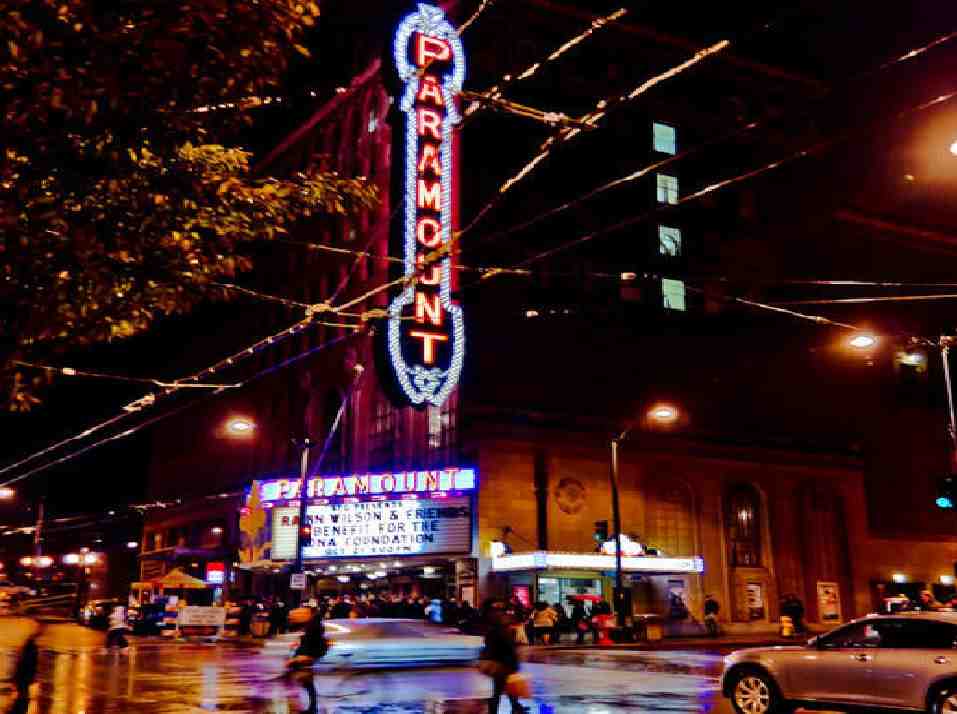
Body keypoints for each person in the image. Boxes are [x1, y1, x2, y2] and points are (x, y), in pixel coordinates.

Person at [479, 604, 526, 714]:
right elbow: (509, 648)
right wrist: (514, 662)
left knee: (504, 688)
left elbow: (489, 646)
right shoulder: (502, 632)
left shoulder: (492, 631)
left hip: (498, 664)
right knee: (503, 688)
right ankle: (509, 708)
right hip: (504, 664)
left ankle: (513, 707)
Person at [288, 610, 328, 714]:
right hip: (307, 656)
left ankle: (312, 707)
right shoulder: (314, 626)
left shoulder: (313, 627)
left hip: (306, 656)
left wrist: (300, 657)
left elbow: (311, 642)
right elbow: (310, 640)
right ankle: (312, 707)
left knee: (306, 682)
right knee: (307, 683)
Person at [8, 624, 41, 714]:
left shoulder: (30, 648)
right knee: (23, 694)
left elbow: (24, 663)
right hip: (25, 676)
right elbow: (30, 664)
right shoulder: (32, 648)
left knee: (23, 694)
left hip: (24, 676)